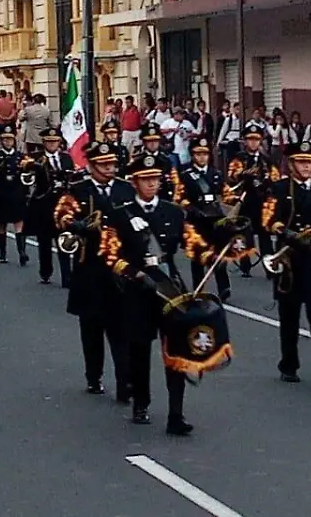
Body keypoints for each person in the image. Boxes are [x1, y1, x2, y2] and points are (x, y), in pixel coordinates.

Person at [99, 154, 197, 434]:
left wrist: (219, 247)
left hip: (169, 289)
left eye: (155, 178)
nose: (152, 184)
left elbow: (193, 244)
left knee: (175, 350)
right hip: (138, 289)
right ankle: (140, 403)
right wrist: (134, 273)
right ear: (134, 182)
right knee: (139, 349)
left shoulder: (173, 211)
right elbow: (109, 254)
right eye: (146, 179)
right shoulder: (120, 213)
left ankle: (176, 414)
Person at [54, 141, 137, 398]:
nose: (110, 168)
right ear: (91, 166)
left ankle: (125, 382)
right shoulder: (79, 189)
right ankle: (94, 376)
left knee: (121, 329)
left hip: (119, 268)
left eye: (112, 164)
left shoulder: (126, 189)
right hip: (89, 266)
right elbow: (62, 216)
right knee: (91, 328)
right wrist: (77, 225)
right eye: (103, 165)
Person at [262, 140, 311, 389]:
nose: (306, 167)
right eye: (301, 162)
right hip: (290, 261)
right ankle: (289, 364)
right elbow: (267, 219)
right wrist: (288, 234)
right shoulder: (279, 188)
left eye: (309, 162)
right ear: (292, 164)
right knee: (290, 317)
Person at [177, 136, 236, 301]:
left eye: (205, 154)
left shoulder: (215, 174)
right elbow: (179, 197)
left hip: (215, 219)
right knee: (197, 257)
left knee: (219, 254)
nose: (202, 157)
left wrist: (235, 200)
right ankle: (199, 288)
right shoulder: (186, 175)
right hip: (197, 221)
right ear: (193, 156)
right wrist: (191, 208)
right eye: (198, 154)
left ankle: (224, 287)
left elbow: (225, 194)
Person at [228, 123, 282, 277]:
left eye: (256, 140)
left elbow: (275, 178)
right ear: (245, 141)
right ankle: (245, 266)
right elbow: (232, 176)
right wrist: (243, 175)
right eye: (250, 140)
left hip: (263, 203)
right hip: (245, 201)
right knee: (244, 236)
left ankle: (269, 268)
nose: (253, 143)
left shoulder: (266, 159)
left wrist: (268, 184)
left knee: (265, 237)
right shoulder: (239, 158)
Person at [26, 126, 75, 286]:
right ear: (44, 143)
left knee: (65, 241)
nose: (52, 145)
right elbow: (27, 174)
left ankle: (67, 276)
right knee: (45, 242)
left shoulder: (66, 158)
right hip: (44, 206)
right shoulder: (36, 158)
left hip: (62, 207)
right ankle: (46, 272)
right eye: (49, 142)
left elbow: (72, 179)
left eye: (55, 142)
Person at [0, 124, 34, 266]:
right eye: (5, 140)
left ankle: (22, 252)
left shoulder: (20, 157)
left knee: (19, 223)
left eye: (10, 140)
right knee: (2, 224)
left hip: (16, 193)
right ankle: (3, 253)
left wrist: (26, 192)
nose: (8, 142)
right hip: (1, 193)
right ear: (1, 141)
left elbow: (27, 175)